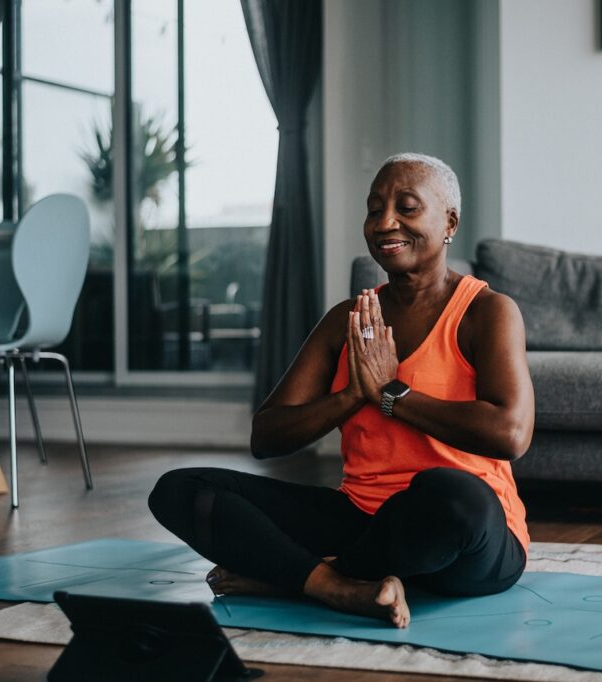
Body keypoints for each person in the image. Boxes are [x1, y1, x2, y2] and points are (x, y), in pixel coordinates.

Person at [149, 152, 535, 628]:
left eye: (407, 207)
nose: (385, 222)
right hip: (360, 518)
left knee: (455, 495)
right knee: (182, 488)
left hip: (465, 540)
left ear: (449, 221)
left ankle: (299, 576)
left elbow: (510, 433)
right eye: (375, 209)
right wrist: (354, 394)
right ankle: (335, 587)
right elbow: (266, 436)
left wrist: (391, 394)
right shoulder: (346, 319)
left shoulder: (487, 311)